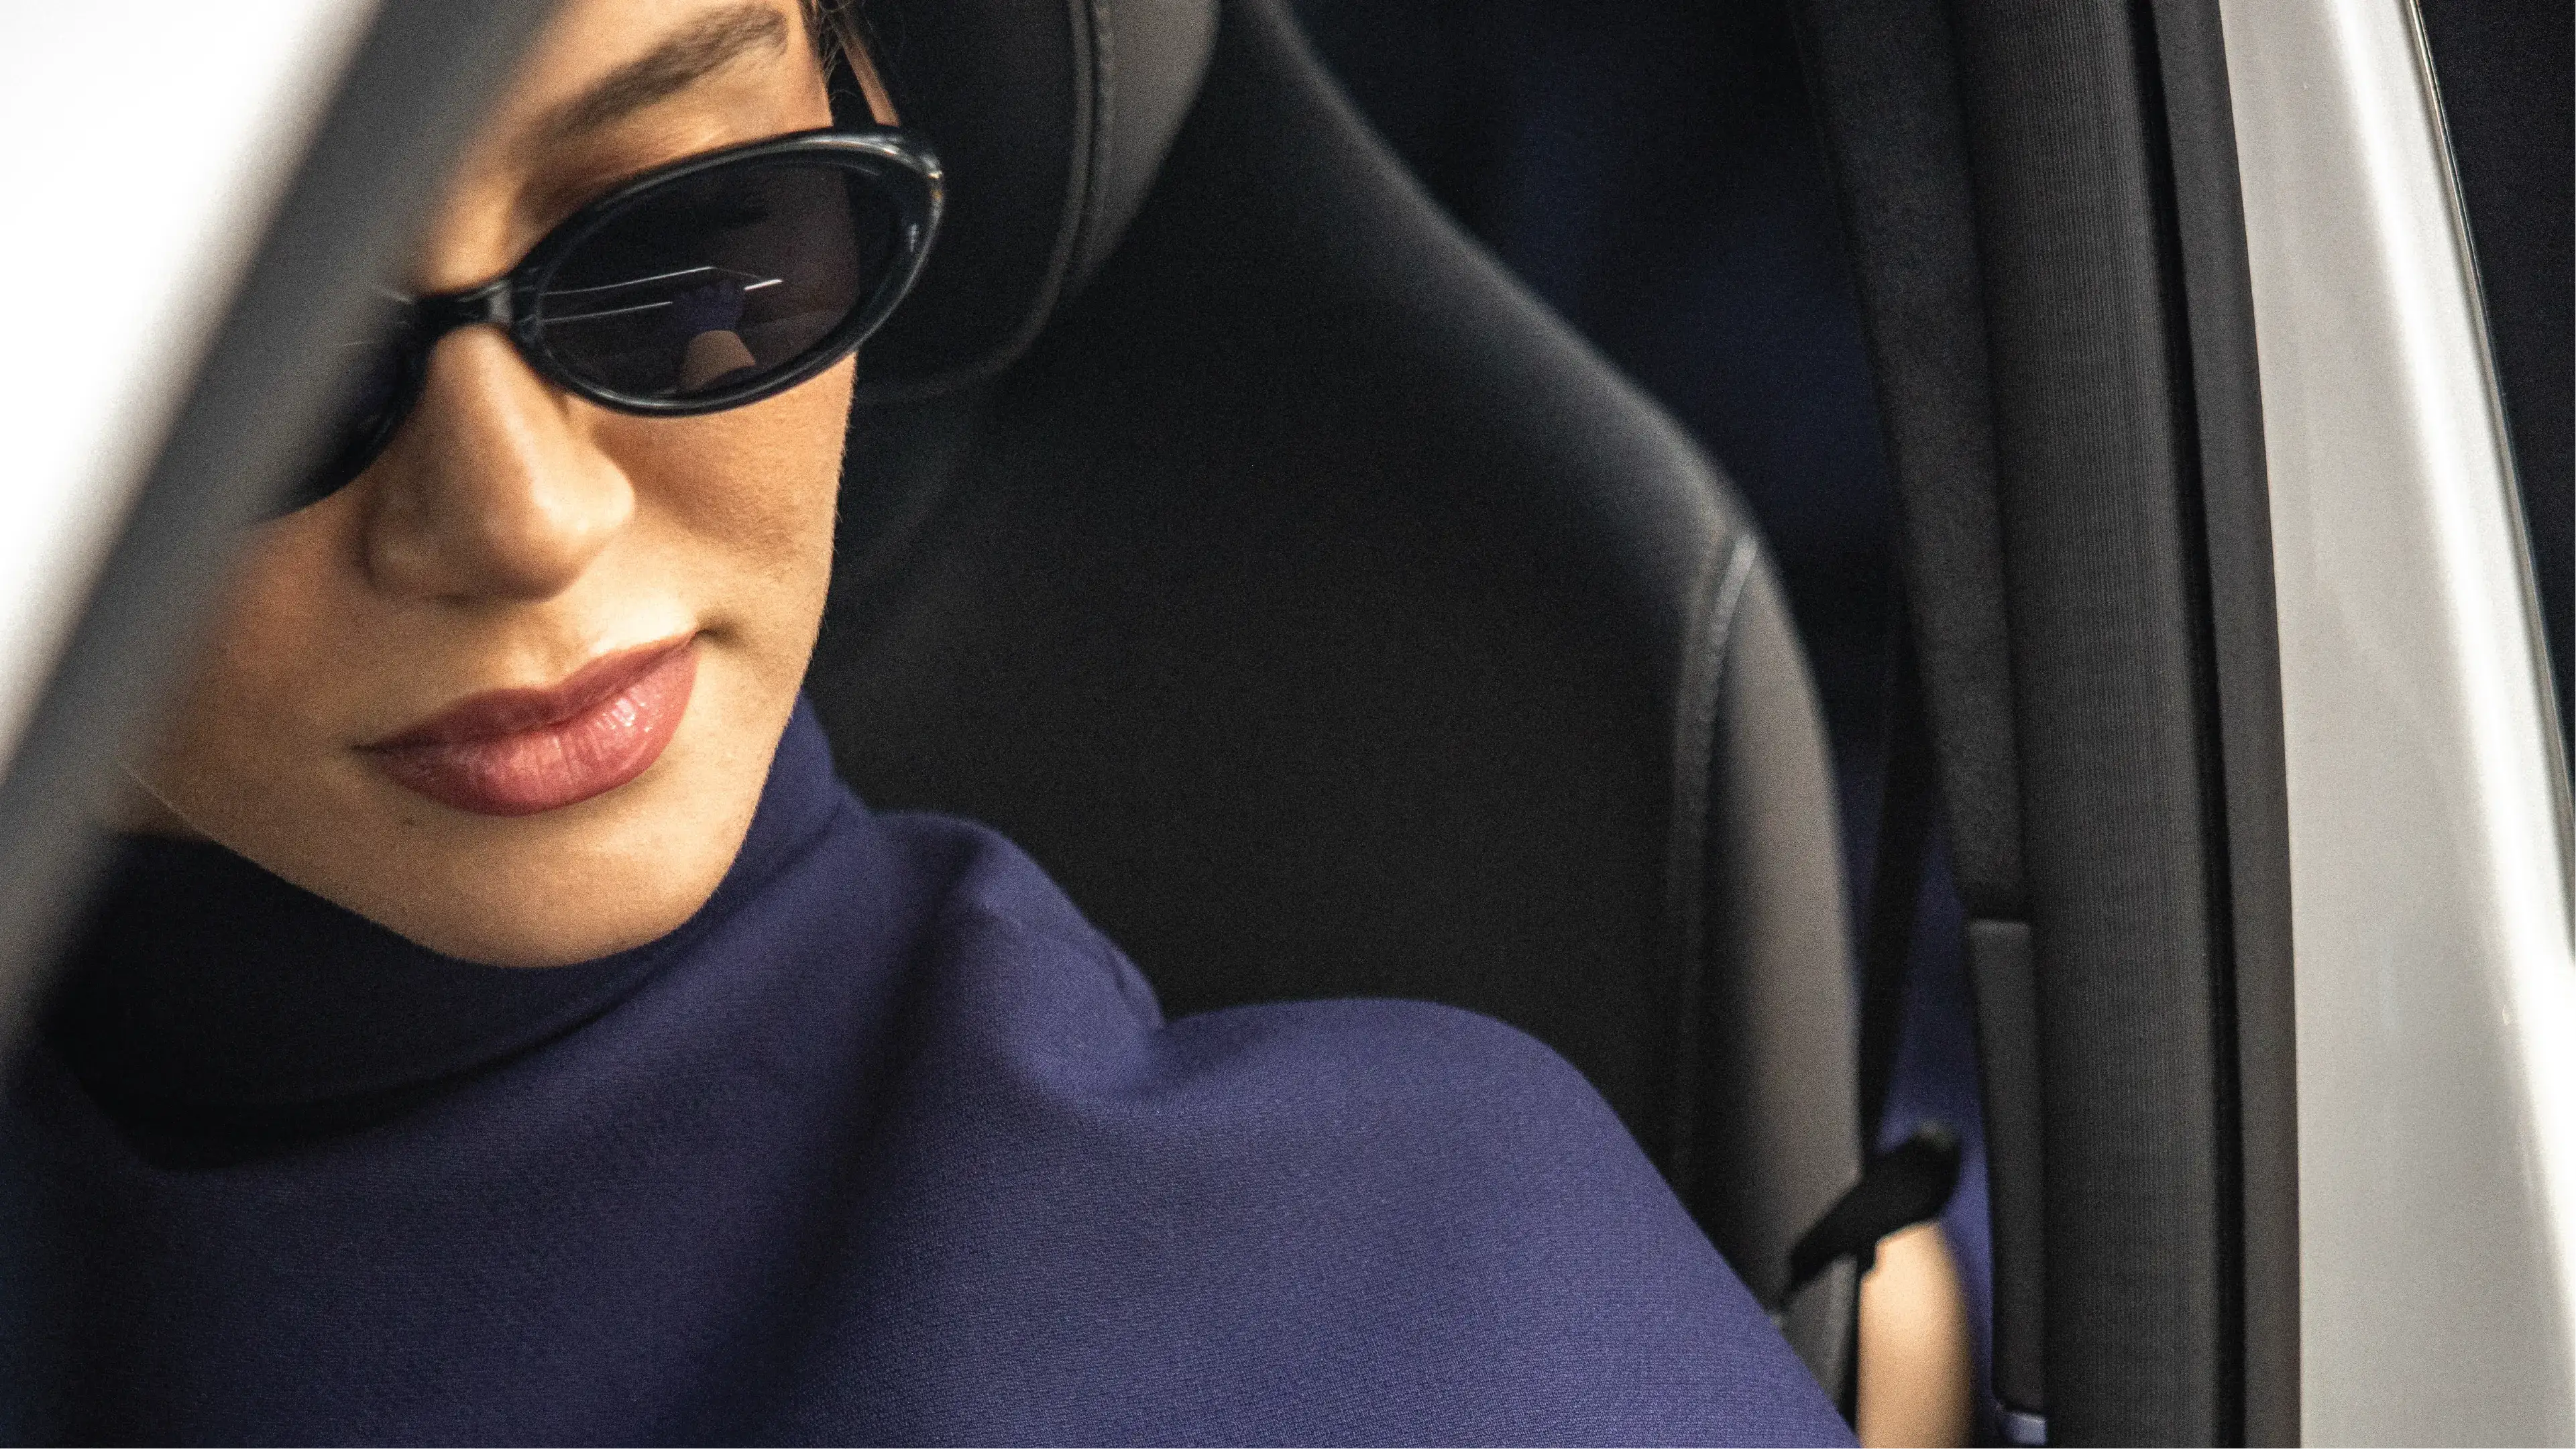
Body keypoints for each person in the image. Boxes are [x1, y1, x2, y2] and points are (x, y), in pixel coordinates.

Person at [0, 1, 1868, 1443]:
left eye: (688, 242)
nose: (524, 518)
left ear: (871, 111)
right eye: (241, 358)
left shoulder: (1405, 1320)